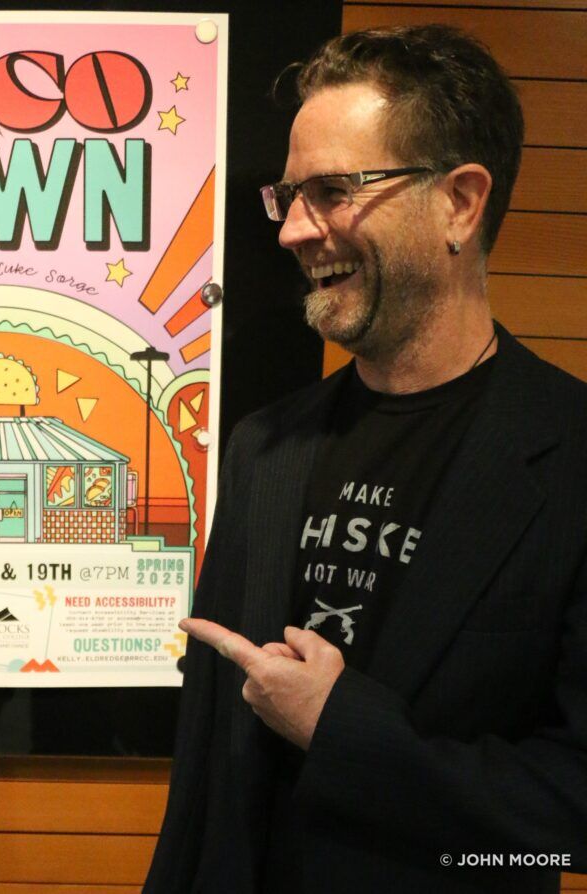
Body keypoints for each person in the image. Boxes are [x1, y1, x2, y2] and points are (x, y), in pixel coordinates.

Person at [145, 25, 587, 894]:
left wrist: (346, 731)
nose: (294, 232)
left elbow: (566, 823)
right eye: (290, 195)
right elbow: (205, 773)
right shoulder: (266, 444)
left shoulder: (570, 456)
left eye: (335, 190)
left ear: (460, 202)